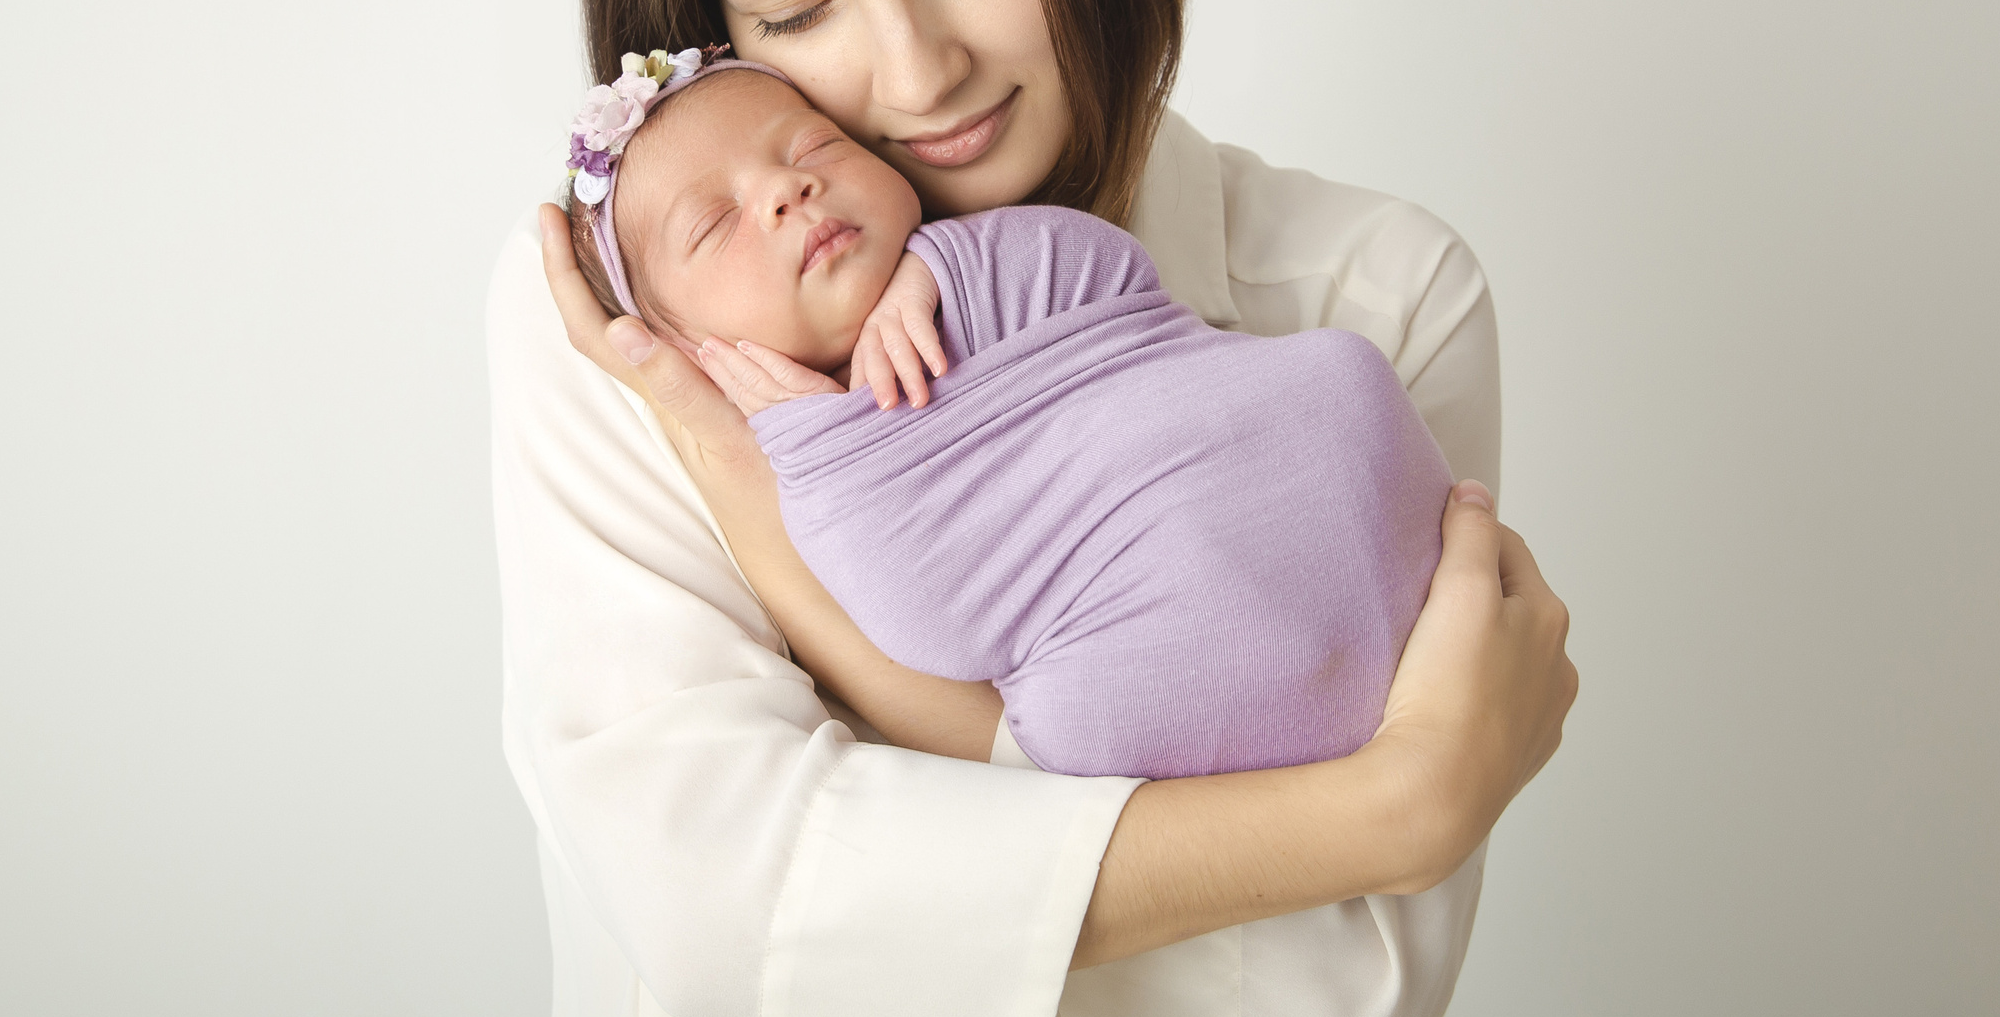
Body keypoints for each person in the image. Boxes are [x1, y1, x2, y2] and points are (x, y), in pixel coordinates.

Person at [487, 0, 1576, 1017]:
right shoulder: (637, 326)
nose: (915, 67)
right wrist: (1382, 810)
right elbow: (715, 912)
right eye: (796, 11)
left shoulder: (1373, 295)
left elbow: (1334, 977)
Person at [556, 49, 1454, 783]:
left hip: (1306, 449)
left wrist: (940, 271)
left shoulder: (977, 253)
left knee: (1345, 373)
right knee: (1068, 726)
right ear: (680, 345)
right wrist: (821, 447)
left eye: (814, 148)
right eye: (715, 223)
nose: (788, 193)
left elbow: (1117, 284)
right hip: (1166, 626)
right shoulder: (799, 463)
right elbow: (937, 621)